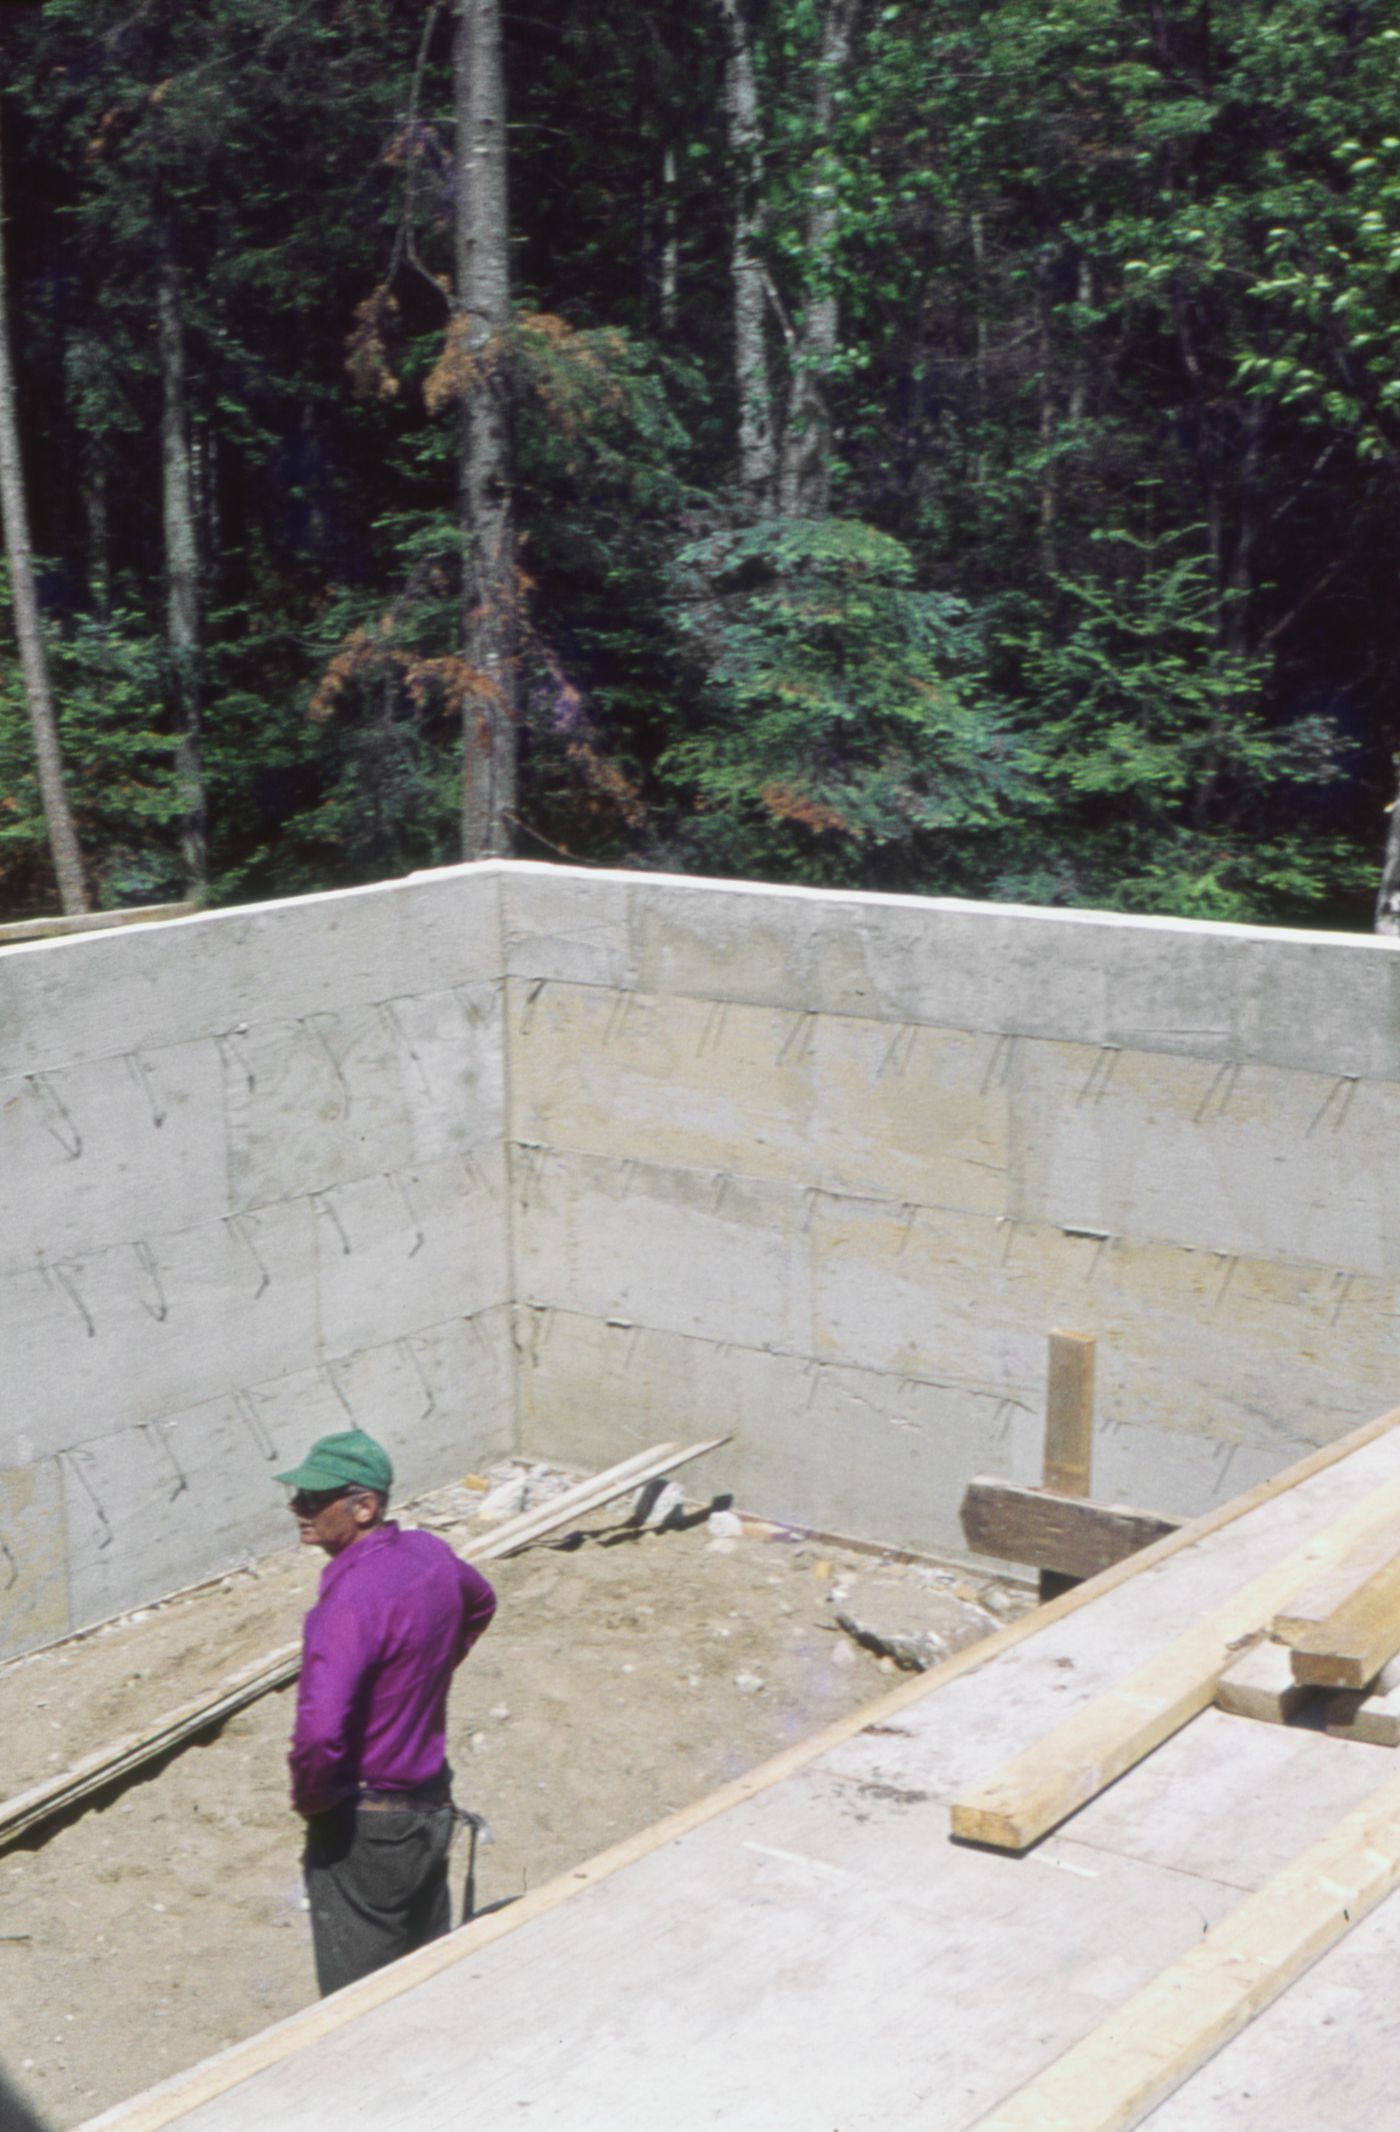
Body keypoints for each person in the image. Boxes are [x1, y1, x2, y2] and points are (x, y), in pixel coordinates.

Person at [276, 1427, 497, 1995]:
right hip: (430, 1805)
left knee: (359, 2002)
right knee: (424, 1973)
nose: (297, 1508)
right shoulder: (428, 1554)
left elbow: (320, 1733)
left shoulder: (345, 1606)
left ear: (365, 1505)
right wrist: (426, 1672)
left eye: (314, 1498)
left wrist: (313, 1802)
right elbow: (481, 1601)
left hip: (368, 1825)